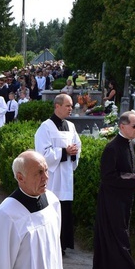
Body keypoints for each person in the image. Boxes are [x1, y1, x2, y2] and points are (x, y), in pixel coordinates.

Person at [92, 111, 135, 269]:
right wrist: (134, 179)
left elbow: (127, 168)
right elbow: (108, 177)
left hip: (124, 198)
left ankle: (102, 267)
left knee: (111, 234)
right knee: (120, 237)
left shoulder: (130, 144)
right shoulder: (111, 148)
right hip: (112, 199)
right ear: (122, 126)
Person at [34, 94, 81, 253]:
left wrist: (73, 152)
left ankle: (63, 243)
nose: (71, 109)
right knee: (52, 209)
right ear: (57, 106)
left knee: (65, 209)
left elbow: (77, 145)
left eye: (71, 106)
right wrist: (64, 151)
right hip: (53, 177)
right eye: (68, 106)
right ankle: (51, 244)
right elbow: (42, 153)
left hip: (66, 175)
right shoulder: (45, 127)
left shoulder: (71, 126)